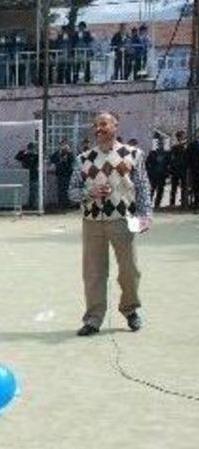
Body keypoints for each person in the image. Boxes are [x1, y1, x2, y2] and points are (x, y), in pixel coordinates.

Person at [70, 111, 152, 336]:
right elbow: (72, 192)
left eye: (104, 124)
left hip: (124, 219)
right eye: (96, 125)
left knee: (130, 270)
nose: (99, 128)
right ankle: (93, 319)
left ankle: (130, 310)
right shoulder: (83, 159)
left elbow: (142, 186)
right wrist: (90, 192)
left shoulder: (133, 154)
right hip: (92, 222)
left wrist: (145, 215)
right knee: (93, 273)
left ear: (115, 126)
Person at [50, 139, 78, 213]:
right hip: (60, 173)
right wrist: (59, 152)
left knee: (67, 189)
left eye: (65, 144)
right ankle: (61, 204)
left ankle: (67, 204)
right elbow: (52, 159)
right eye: (62, 145)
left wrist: (69, 152)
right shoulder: (58, 153)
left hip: (67, 173)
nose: (64, 146)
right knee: (60, 189)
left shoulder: (69, 153)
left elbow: (73, 160)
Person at [146, 135, 170, 210]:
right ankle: (148, 203)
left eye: (162, 143)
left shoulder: (167, 154)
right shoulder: (152, 153)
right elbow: (147, 163)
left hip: (162, 174)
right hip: (154, 174)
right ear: (157, 144)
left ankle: (157, 204)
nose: (161, 145)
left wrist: (167, 173)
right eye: (160, 143)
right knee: (152, 189)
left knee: (160, 190)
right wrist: (149, 172)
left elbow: (168, 164)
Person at [15, 142, 40, 211]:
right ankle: (24, 204)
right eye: (30, 149)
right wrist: (25, 153)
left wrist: (35, 153)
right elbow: (17, 158)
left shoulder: (36, 155)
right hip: (25, 174)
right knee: (25, 190)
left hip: (33, 174)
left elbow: (40, 159)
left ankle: (33, 205)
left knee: (33, 190)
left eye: (32, 149)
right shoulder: (24, 154)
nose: (31, 150)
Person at [167, 130, 187, 208]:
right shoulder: (179, 147)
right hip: (179, 169)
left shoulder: (177, 147)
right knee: (178, 186)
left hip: (178, 169)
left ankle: (179, 202)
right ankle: (176, 202)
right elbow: (171, 158)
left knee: (178, 186)